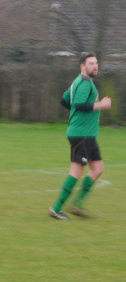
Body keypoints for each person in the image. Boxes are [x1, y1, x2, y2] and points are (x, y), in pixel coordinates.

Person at [48, 52, 112, 220]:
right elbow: (79, 105)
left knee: (97, 169)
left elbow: (64, 101)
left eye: (96, 63)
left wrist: (77, 116)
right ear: (82, 66)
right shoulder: (84, 83)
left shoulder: (77, 82)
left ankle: (77, 204)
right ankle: (56, 209)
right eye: (91, 63)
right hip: (81, 135)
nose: (95, 66)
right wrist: (101, 105)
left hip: (88, 134)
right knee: (77, 171)